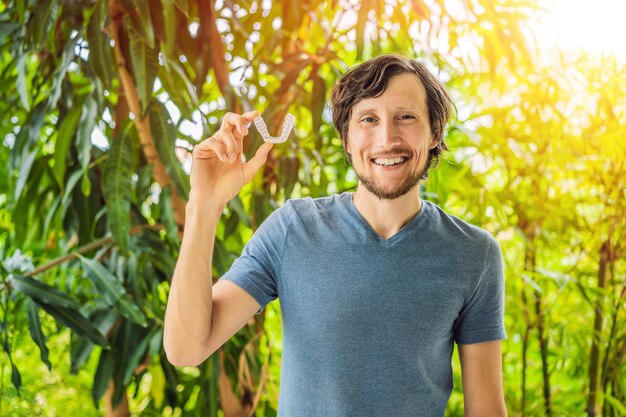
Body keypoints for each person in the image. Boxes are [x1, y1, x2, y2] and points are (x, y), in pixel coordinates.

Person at [164, 54, 508, 416]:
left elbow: (485, 409)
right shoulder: (292, 229)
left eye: (406, 117)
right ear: (346, 138)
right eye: (368, 120)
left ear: (435, 132)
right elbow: (187, 348)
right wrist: (204, 204)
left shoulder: (474, 254)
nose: (387, 138)